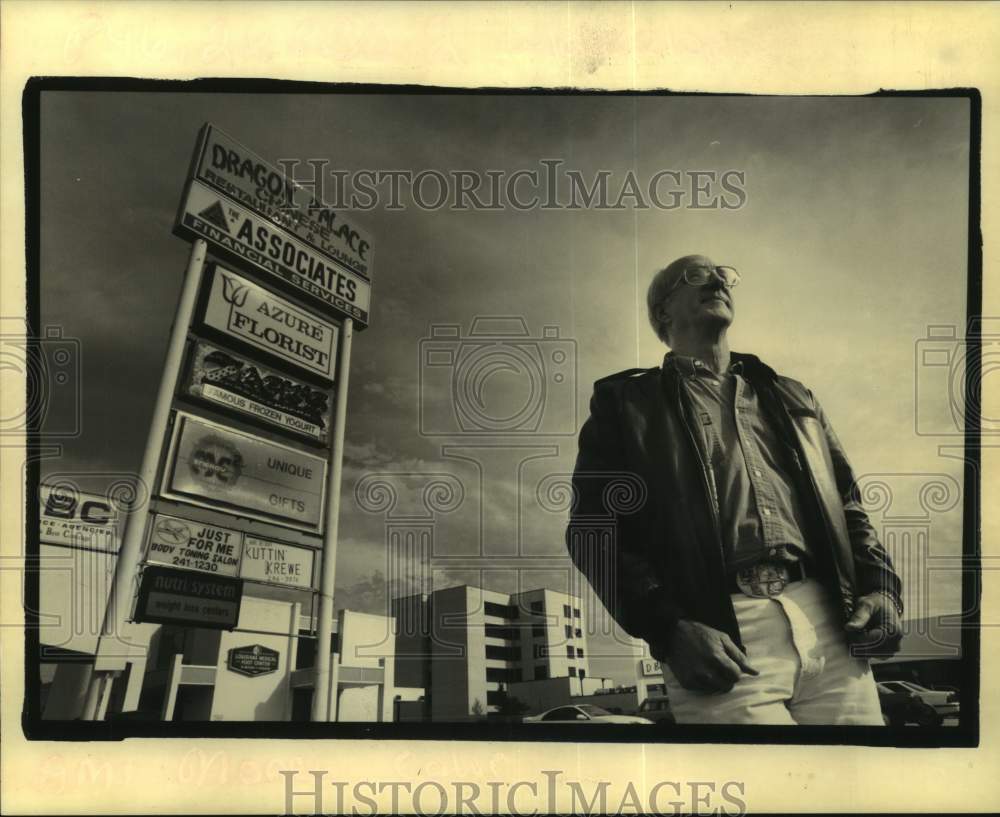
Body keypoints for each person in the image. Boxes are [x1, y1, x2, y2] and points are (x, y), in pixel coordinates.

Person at [566, 254, 903, 725]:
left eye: (723, 274)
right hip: (720, 632)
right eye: (697, 275)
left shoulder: (794, 397)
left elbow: (849, 508)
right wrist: (669, 629)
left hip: (830, 620)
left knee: (858, 788)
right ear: (663, 312)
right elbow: (593, 529)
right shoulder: (625, 406)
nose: (719, 280)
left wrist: (883, 590)